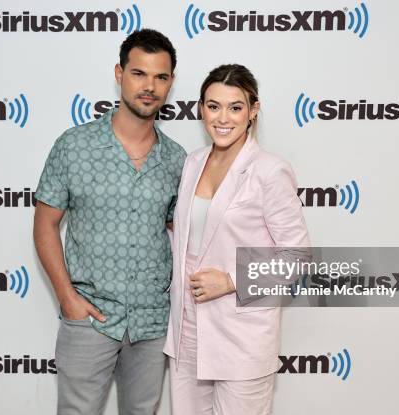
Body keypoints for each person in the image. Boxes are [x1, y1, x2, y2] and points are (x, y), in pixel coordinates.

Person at [33, 29, 186, 415]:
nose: (149, 86)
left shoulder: (177, 159)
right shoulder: (74, 146)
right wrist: (68, 298)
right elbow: (45, 224)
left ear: (170, 83)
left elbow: (182, 234)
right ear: (119, 74)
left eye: (161, 77)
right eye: (139, 73)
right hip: (90, 318)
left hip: (152, 323)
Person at [163, 64, 310, 414]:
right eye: (213, 106)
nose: (222, 118)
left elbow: (299, 256)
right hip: (186, 332)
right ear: (201, 108)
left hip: (240, 337)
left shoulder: (269, 171)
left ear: (253, 110)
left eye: (235, 107)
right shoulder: (193, 163)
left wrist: (230, 280)